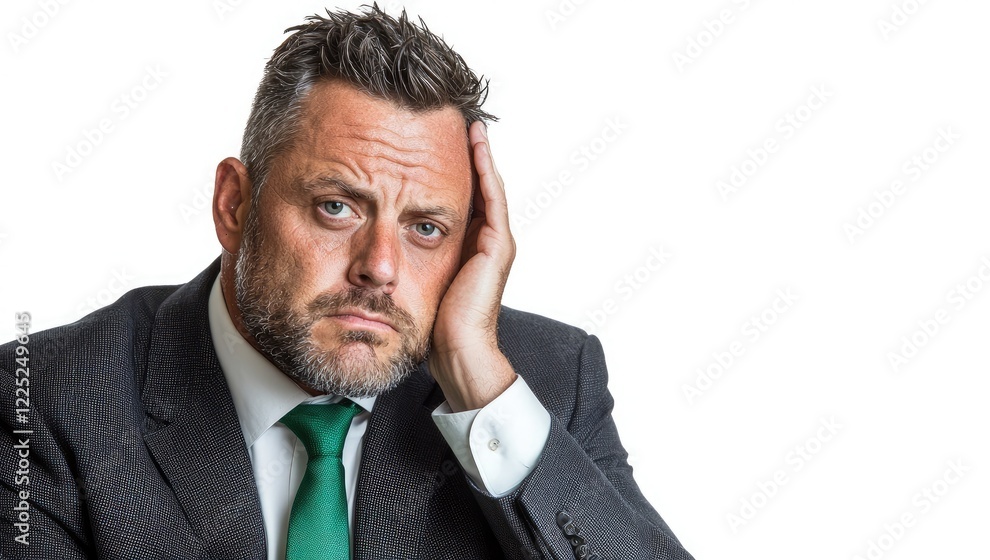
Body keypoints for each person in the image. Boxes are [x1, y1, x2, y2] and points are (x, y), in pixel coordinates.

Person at [0, 6, 694, 559]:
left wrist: (481, 390)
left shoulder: (545, 383)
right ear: (235, 206)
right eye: (338, 207)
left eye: (426, 227)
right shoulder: (48, 401)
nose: (380, 267)